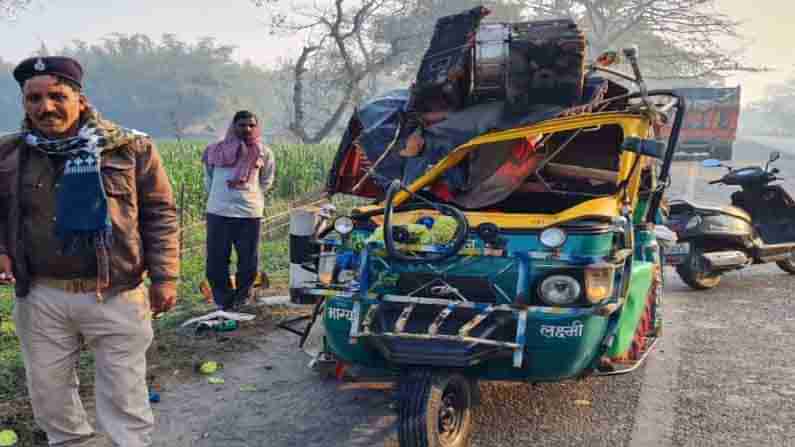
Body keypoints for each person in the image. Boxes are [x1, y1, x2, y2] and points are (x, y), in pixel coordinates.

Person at [0, 56, 179, 446]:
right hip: (41, 295)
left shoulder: (129, 148)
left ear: (80, 99)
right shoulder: (10, 154)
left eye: (56, 96)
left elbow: (160, 214)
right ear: (25, 103)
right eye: (34, 98)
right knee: (49, 395)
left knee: (124, 396)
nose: (45, 107)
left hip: (116, 292)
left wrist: (165, 277)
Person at [203, 111, 275, 311]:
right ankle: (223, 300)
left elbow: (266, 181)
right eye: (242, 125)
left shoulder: (264, 152)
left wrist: (249, 195)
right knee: (216, 259)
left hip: (249, 213)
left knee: (248, 259)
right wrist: (223, 196)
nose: (247, 129)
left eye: (252, 125)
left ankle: (242, 297)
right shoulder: (214, 150)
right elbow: (208, 179)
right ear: (233, 126)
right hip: (219, 211)